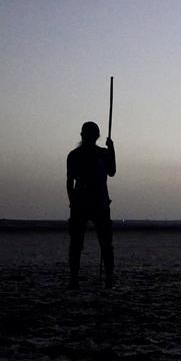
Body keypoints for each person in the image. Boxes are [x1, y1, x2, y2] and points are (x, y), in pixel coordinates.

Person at [67, 122, 116, 289]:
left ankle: (106, 276)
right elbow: (70, 182)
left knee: (104, 243)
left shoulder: (99, 153)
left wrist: (112, 150)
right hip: (86, 203)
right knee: (79, 243)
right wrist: (73, 203)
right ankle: (75, 277)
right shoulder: (75, 155)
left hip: (96, 203)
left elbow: (111, 171)